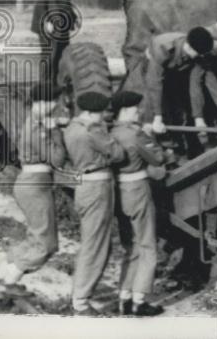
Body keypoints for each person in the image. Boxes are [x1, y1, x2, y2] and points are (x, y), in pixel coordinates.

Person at [0, 82, 68, 299]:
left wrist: (52, 126)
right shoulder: (39, 127)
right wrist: (55, 131)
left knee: (35, 236)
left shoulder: (35, 122)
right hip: (35, 185)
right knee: (45, 243)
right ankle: (8, 285)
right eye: (52, 100)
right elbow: (57, 159)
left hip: (31, 183)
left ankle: (2, 277)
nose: (55, 105)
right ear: (41, 102)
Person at [63, 91, 126, 316]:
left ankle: (79, 296)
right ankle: (80, 301)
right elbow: (118, 154)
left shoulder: (72, 127)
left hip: (83, 185)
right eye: (103, 113)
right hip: (98, 187)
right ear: (93, 112)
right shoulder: (94, 130)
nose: (105, 116)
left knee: (91, 241)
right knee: (96, 245)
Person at [110, 90, 165, 317]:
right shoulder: (136, 134)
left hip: (119, 192)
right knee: (147, 246)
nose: (138, 111)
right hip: (138, 191)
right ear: (125, 110)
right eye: (135, 108)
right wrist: (152, 136)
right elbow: (158, 159)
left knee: (130, 247)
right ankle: (139, 301)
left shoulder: (111, 132)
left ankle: (124, 298)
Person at [30, 0, 78, 85]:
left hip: (62, 25)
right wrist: (47, 22)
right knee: (49, 55)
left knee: (62, 54)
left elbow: (66, 1)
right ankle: (45, 83)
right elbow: (40, 5)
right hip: (49, 26)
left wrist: (74, 18)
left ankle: (57, 82)